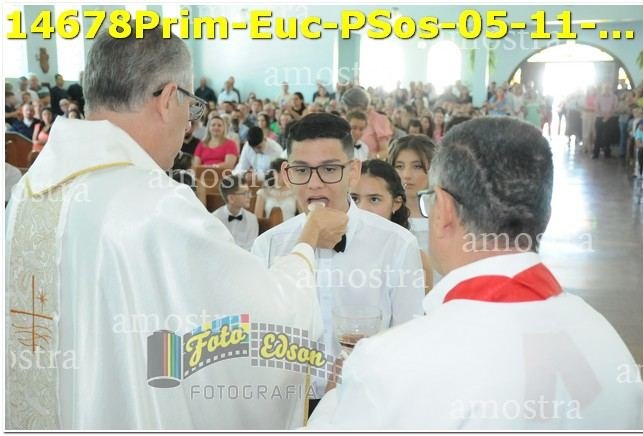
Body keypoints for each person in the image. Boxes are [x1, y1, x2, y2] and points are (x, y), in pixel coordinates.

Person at [5, 24, 350, 430]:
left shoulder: (28, 189)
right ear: (170, 98)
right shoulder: (154, 204)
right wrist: (308, 240)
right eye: (191, 106)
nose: (189, 125)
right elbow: (266, 319)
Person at [308, 117, 643, 430]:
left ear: (444, 210)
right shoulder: (608, 343)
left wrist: (338, 394)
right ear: (545, 213)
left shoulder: (389, 362)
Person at [251, 113, 424, 408]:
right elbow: (256, 342)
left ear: (353, 171)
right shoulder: (268, 245)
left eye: (330, 169)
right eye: (302, 170)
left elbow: (409, 342)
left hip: (366, 403)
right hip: (287, 407)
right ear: (286, 174)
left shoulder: (396, 244)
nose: (315, 184)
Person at [350, 159, 434, 293]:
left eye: (374, 199)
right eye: (354, 199)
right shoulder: (331, 250)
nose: (362, 208)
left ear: (396, 203)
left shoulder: (414, 257)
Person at [388, 134, 435, 253]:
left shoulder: (449, 214)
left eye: (417, 166)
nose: (407, 175)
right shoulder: (383, 213)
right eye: (399, 166)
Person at [342, 87, 392, 159]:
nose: (347, 111)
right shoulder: (348, 118)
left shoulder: (379, 120)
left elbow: (385, 152)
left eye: (349, 108)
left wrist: (374, 157)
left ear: (359, 105)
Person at [213, 176, 258, 250]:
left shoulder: (252, 219)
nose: (250, 196)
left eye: (249, 192)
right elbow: (216, 246)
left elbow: (251, 248)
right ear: (231, 198)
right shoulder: (215, 218)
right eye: (245, 193)